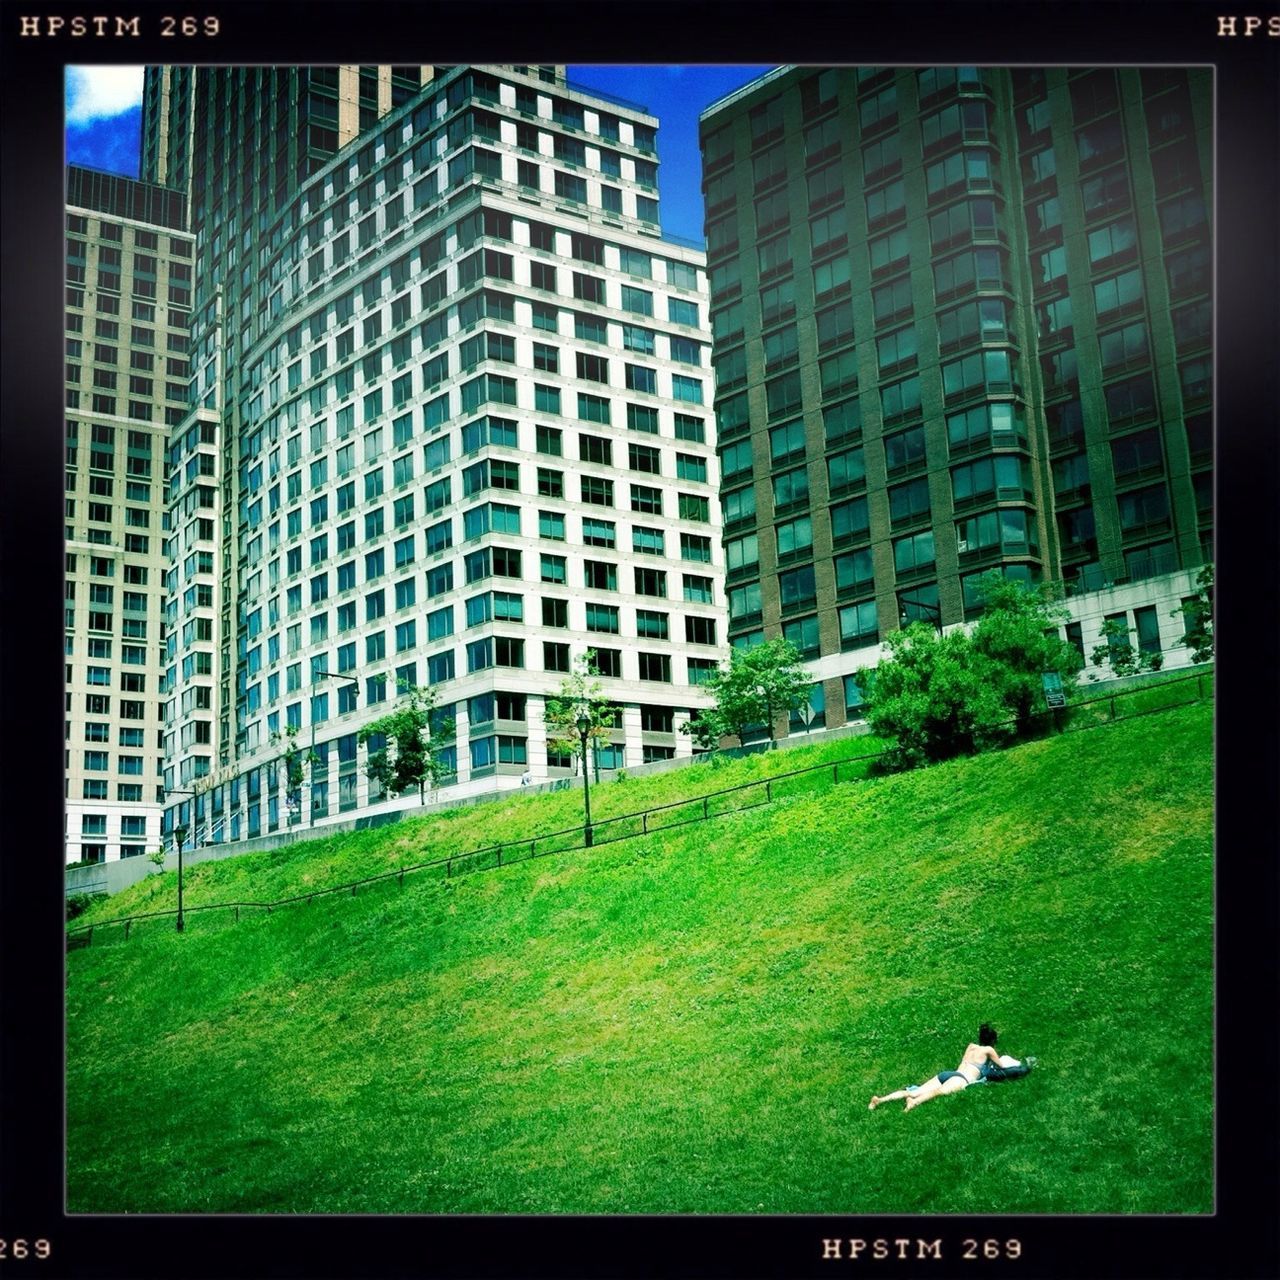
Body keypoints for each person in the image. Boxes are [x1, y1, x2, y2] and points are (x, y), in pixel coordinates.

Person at [868, 1024, 1037, 1112]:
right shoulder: (988, 1050)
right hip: (961, 1079)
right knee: (938, 1092)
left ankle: (880, 1100)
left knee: (914, 1089)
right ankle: (914, 1103)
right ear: (992, 1041)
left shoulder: (971, 1046)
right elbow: (1001, 1066)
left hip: (950, 1073)